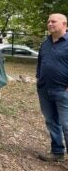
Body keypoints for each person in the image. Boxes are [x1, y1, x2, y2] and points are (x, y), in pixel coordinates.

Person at [37, 13, 68, 162]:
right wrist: (38, 79)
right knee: (51, 121)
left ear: (64, 24)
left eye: (53, 21)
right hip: (44, 89)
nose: (49, 24)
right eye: (48, 21)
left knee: (66, 124)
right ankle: (57, 152)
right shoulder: (45, 43)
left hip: (63, 91)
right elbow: (40, 62)